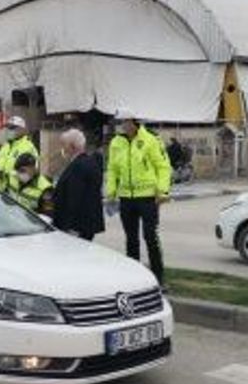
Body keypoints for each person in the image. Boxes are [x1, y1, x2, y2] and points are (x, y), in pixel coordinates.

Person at [104, 110, 172, 288]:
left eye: (126, 122)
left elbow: (163, 167)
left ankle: (159, 278)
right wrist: (110, 192)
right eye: (121, 122)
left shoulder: (150, 140)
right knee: (131, 239)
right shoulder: (116, 142)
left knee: (150, 237)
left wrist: (162, 191)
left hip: (148, 198)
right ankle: (134, 279)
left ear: (135, 122)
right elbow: (112, 169)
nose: (123, 126)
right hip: (126, 199)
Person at [52, 128, 104, 241]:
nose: (63, 148)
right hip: (86, 225)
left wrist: (69, 226)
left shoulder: (78, 167)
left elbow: (74, 198)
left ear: (72, 146)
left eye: (64, 145)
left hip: (76, 227)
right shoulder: (89, 163)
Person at [0, 116, 38, 192]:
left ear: (22, 129)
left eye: (12, 128)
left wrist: (6, 175)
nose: (9, 130)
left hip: (16, 193)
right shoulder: (5, 147)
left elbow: (30, 174)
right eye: (8, 128)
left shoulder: (28, 147)